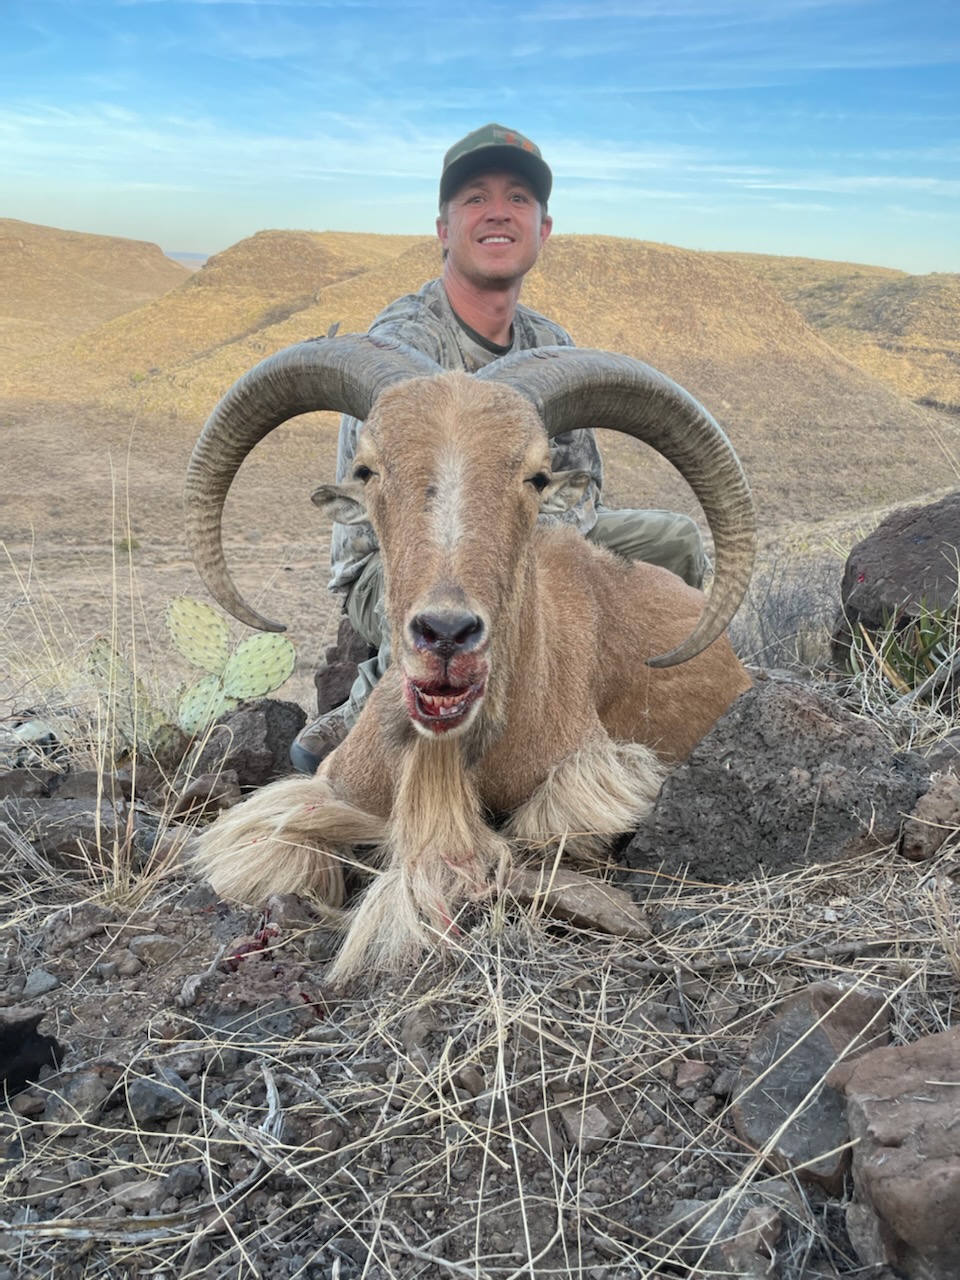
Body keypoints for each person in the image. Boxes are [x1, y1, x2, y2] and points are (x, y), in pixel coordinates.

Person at [290, 123, 706, 773]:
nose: (498, 212)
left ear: (542, 229)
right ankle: (369, 716)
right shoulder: (401, 350)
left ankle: (624, 708)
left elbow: (584, 489)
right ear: (443, 228)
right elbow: (396, 514)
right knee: (469, 598)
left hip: (519, 544)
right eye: (475, 197)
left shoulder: (550, 346)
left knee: (673, 542)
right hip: (392, 564)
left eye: (518, 198)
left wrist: (529, 534)